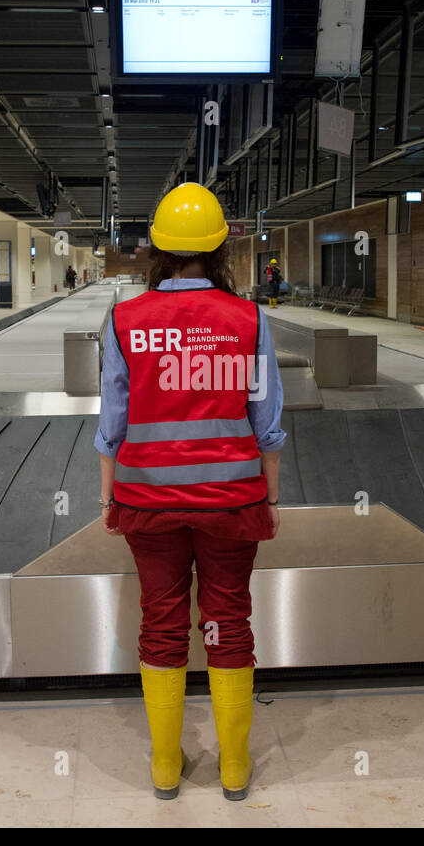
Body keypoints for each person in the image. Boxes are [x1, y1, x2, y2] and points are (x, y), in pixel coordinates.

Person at [95, 182, 286, 802]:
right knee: (229, 621)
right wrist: (271, 499)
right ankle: (233, 766)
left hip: (148, 502)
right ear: (220, 247)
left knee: (162, 623)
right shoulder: (249, 318)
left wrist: (108, 501)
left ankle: (164, 766)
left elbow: (112, 426)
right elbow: (268, 422)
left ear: (156, 248)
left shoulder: (125, 318)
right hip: (231, 501)